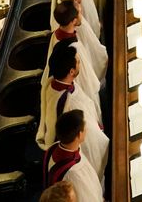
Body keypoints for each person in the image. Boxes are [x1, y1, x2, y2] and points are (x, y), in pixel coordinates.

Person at [36, 41, 108, 184]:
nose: (80, 64)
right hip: (73, 141)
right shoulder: (70, 102)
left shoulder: (52, 83)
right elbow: (92, 139)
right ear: (71, 71)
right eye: (78, 62)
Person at [43, 2, 103, 109]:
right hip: (80, 96)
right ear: (74, 21)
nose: (81, 15)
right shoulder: (74, 49)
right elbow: (87, 80)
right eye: (79, 13)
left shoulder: (56, 35)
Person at [40, 111, 102, 201]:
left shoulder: (54, 147)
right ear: (79, 135)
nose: (87, 130)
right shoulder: (75, 172)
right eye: (85, 128)